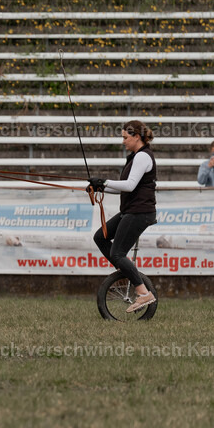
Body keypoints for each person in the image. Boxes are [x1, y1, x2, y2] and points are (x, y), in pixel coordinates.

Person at [87, 120, 157, 313]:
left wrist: (104, 181)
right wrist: (100, 187)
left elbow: (129, 185)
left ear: (136, 137)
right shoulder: (134, 157)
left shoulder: (143, 157)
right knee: (100, 237)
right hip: (131, 210)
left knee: (117, 253)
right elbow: (125, 189)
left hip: (140, 212)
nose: (123, 141)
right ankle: (125, 268)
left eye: (125, 137)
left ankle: (144, 293)